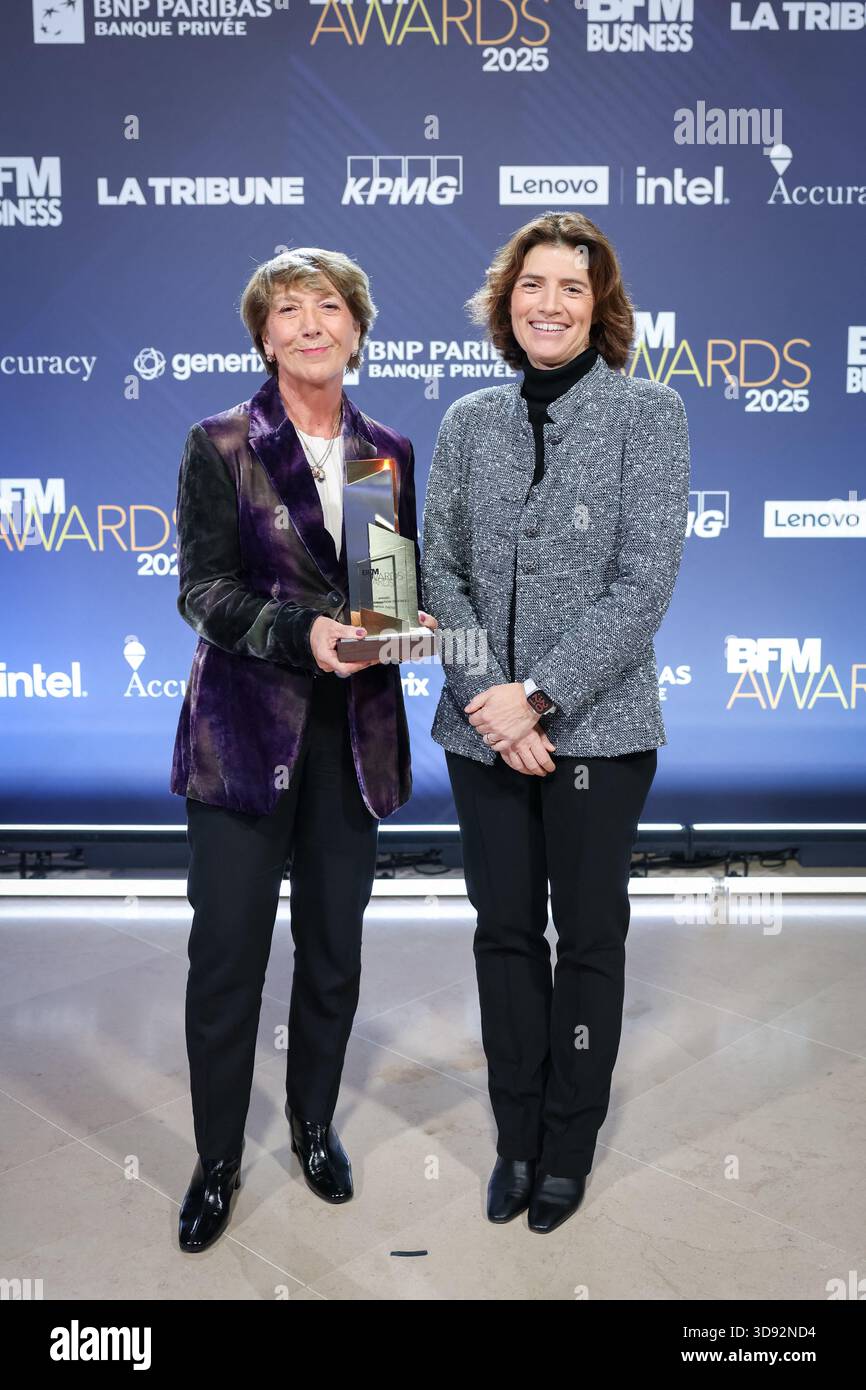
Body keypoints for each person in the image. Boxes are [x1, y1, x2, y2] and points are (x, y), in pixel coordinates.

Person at [421, 211, 690, 1234]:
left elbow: (641, 585)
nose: (548, 303)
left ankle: (568, 1145)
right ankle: (516, 1138)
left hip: (601, 731)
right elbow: (436, 570)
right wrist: (492, 701)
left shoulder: (647, 414)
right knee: (501, 937)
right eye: (532, 284)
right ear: (506, 301)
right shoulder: (467, 422)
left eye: (570, 288)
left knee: (584, 941)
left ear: (599, 306)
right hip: (479, 728)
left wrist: (537, 697)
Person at [169, 247, 435, 1252]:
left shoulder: (385, 451)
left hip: (350, 741)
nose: (311, 323)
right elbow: (204, 590)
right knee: (227, 959)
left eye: (329, 306)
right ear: (264, 335)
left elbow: (381, 598)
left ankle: (314, 1128)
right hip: (242, 738)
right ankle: (218, 1162)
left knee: (332, 953)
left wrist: (403, 624)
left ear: (357, 329)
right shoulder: (222, 442)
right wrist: (299, 633)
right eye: (289, 310)